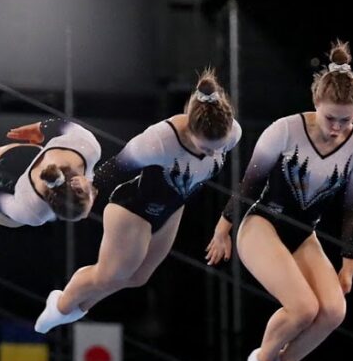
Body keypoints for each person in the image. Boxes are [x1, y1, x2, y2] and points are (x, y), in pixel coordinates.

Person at [207, 41, 353, 361]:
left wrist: (349, 267)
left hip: (303, 235)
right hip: (262, 225)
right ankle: (262, 359)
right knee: (303, 308)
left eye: (347, 120)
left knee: (332, 312)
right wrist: (223, 229)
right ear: (316, 104)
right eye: (331, 118)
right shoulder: (285, 130)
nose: (337, 128)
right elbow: (250, 183)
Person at [34, 69, 242, 333]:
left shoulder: (231, 131)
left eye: (219, 147)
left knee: (137, 278)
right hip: (133, 209)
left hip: (171, 209)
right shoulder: (159, 140)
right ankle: (61, 307)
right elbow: (116, 168)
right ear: (190, 129)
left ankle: (77, 309)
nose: (214, 153)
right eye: (206, 148)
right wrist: (89, 187)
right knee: (107, 276)